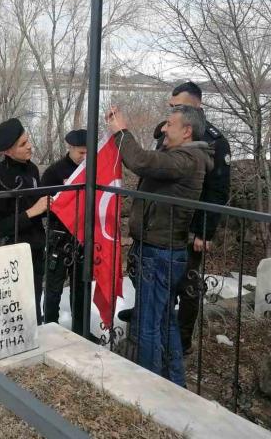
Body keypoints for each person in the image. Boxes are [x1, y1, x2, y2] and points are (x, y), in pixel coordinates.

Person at [106, 105, 214, 387]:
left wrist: (121, 132)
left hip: (159, 253)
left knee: (147, 327)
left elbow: (142, 162)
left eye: (169, 124)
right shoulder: (184, 155)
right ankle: (175, 386)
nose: (163, 128)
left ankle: (150, 392)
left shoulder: (186, 160)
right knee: (165, 322)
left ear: (187, 131)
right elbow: (153, 158)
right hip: (161, 251)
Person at [164, 82, 232, 355]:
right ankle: (162, 333)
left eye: (180, 105)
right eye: (172, 106)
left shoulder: (214, 141)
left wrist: (204, 231)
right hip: (166, 223)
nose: (174, 110)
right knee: (163, 282)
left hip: (191, 228)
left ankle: (181, 343)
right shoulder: (169, 130)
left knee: (188, 285)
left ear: (197, 105)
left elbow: (217, 191)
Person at [0, 118, 49, 324]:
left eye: (28, 140)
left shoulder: (32, 169)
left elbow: (38, 208)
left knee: (34, 305)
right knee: (16, 313)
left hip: (36, 248)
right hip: (12, 255)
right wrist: (32, 212)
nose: (29, 146)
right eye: (22, 144)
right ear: (8, 152)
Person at [41, 129, 87, 323]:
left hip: (82, 235)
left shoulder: (91, 170)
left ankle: (80, 329)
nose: (85, 157)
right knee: (53, 288)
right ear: (70, 148)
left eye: (88, 153)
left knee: (81, 288)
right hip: (59, 236)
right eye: (81, 153)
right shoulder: (54, 172)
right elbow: (42, 204)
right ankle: (51, 326)